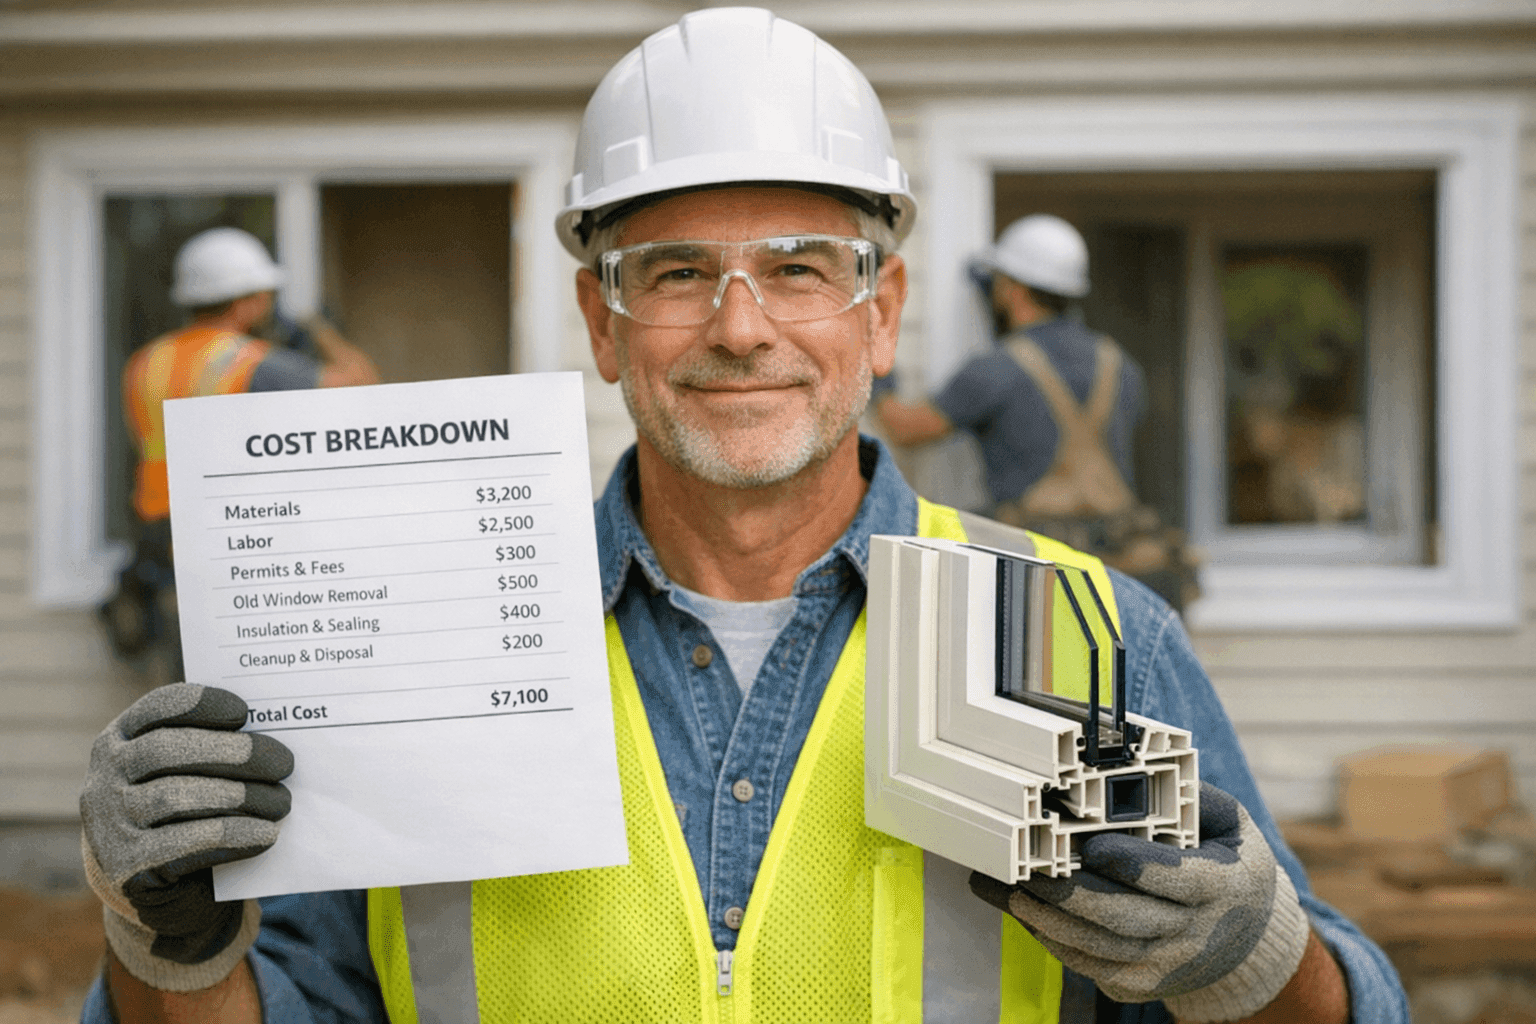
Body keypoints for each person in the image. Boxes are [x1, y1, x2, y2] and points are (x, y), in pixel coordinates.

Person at [78, 10, 1405, 1023]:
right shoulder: (429, 643)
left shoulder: (1067, 632)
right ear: (603, 323)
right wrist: (171, 946)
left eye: (797, 269)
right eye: (676, 274)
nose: (741, 327)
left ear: (881, 315)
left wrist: (1250, 957)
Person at [873, 216, 1197, 610]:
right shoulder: (1120, 365)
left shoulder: (998, 367)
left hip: (1033, 568)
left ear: (1012, 289)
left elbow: (907, 429)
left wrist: (878, 363)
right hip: (1118, 563)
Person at [100, 228, 379, 665]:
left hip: (157, 541)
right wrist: (316, 327)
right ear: (247, 300)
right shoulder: (253, 363)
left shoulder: (145, 362)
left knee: (184, 680)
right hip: (228, 542)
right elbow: (362, 384)